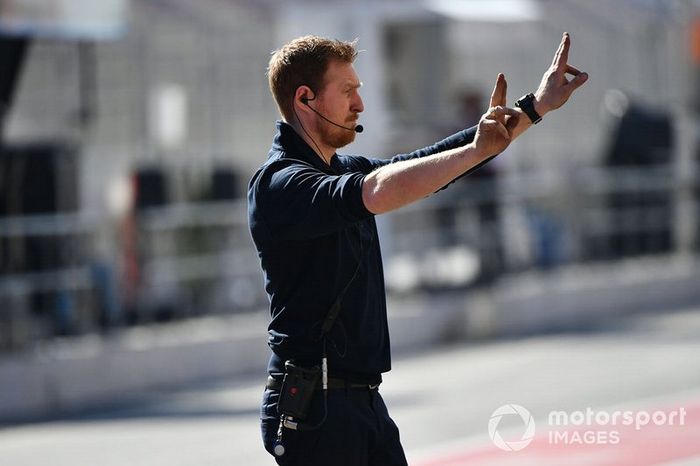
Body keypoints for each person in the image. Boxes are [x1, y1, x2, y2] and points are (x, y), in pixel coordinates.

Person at [248, 33, 587, 466]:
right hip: (316, 409)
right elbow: (376, 190)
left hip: (361, 401)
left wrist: (534, 107)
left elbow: (433, 159)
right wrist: (473, 151)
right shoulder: (281, 183)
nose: (360, 105)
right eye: (348, 91)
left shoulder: (341, 168)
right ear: (305, 98)